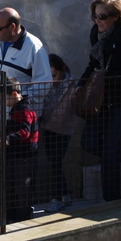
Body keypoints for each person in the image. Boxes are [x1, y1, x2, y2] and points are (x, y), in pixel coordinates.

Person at [0, 7, 51, 218]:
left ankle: (18, 211)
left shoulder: (34, 47)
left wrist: (21, 102)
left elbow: (43, 83)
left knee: (19, 170)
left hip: (20, 120)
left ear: (13, 27)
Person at [80, 0, 121, 202]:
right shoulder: (96, 34)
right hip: (101, 100)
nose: (97, 20)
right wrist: (81, 85)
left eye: (102, 16)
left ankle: (112, 199)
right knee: (88, 143)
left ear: (116, 17)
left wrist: (106, 77)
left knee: (110, 150)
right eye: (95, 16)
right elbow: (93, 62)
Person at [0, 76, 40, 222]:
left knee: (22, 188)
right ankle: (12, 216)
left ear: (14, 94)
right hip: (17, 154)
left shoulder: (25, 109)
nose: (4, 104)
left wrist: (8, 139)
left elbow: (25, 132)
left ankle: (22, 217)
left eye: (4, 100)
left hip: (25, 155)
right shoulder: (16, 109)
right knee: (12, 186)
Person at [38, 54, 79, 213]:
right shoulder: (47, 84)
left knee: (55, 162)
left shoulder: (72, 86)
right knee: (54, 163)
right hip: (47, 127)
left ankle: (58, 198)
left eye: (54, 75)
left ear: (62, 70)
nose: (52, 80)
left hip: (63, 130)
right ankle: (64, 195)